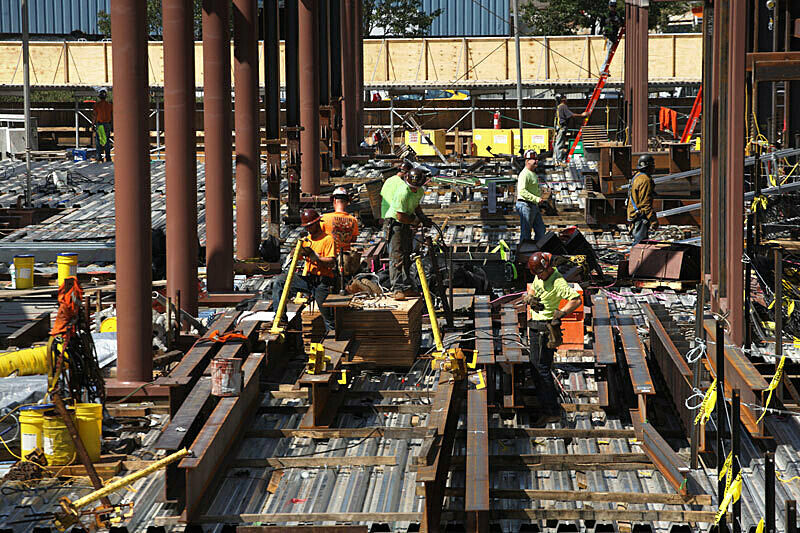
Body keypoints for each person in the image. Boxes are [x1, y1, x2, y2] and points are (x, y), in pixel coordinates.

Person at [523, 252, 582, 426]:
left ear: (548, 268)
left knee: (541, 370)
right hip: (535, 326)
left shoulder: (558, 282)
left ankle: (551, 411)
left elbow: (576, 300)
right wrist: (531, 296)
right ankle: (546, 403)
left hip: (544, 329)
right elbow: (534, 285)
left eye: (541, 273)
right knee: (536, 368)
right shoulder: (539, 276)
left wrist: (562, 313)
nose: (539, 276)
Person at [271, 209, 337, 331]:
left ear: (317, 223)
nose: (308, 229)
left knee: (328, 317)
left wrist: (316, 258)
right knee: (280, 282)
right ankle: (280, 319)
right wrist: (295, 251)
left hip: (323, 282)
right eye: (306, 227)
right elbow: (297, 256)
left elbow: (331, 262)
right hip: (310, 279)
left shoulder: (327, 240)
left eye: (310, 226)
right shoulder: (307, 241)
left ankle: (333, 336)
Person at [380, 166, 432, 300]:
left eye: (416, 187)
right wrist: (415, 221)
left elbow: (416, 206)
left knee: (407, 254)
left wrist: (423, 218)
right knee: (397, 256)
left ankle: (407, 287)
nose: (414, 189)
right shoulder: (403, 192)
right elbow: (400, 216)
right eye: (412, 187)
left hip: (405, 222)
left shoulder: (419, 191)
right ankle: (397, 288)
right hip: (395, 223)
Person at [515, 149, 547, 244]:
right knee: (526, 232)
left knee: (541, 229)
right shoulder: (524, 174)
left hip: (532, 205)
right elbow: (522, 191)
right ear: (527, 161)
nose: (536, 161)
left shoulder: (532, 174)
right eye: (534, 159)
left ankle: (537, 250)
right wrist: (536, 198)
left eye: (536, 159)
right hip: (525, 205)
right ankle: (525, 254)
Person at [627, 154, 658, 245]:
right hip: (640, 215)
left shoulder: (637, 177)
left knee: (639, 241)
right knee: (639, 243)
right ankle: (636, 259)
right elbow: (645, 204)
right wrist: (653, 220)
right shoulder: (645, 180)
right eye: (653, 165)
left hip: (634, 213)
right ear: (648, 166)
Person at [321, 187, 359, 252]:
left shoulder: (324, 218)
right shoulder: (354, 220)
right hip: (346, 257)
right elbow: (353, 239)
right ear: (347, 202)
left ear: (334, 200)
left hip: (328, 256)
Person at [553, 95, 587, 164]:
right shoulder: (563, 106)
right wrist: (582, 115)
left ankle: (557, 160)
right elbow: (571, 115)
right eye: (565, 98)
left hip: (559, 127)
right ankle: (559, 161)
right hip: (561, 127)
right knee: (559, 144)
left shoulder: (559, 107)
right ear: (563, 100)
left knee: (558, 143)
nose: (567, 100)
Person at [93, 89, 113, 163]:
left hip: (100, 124)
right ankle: (108, 157)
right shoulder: (110, 105)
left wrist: (93, 124)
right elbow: (112, 115)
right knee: (107, 141)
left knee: (99, 141)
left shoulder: (96, 105)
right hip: (107, 124)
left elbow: (95, 115)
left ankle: (99, 157)